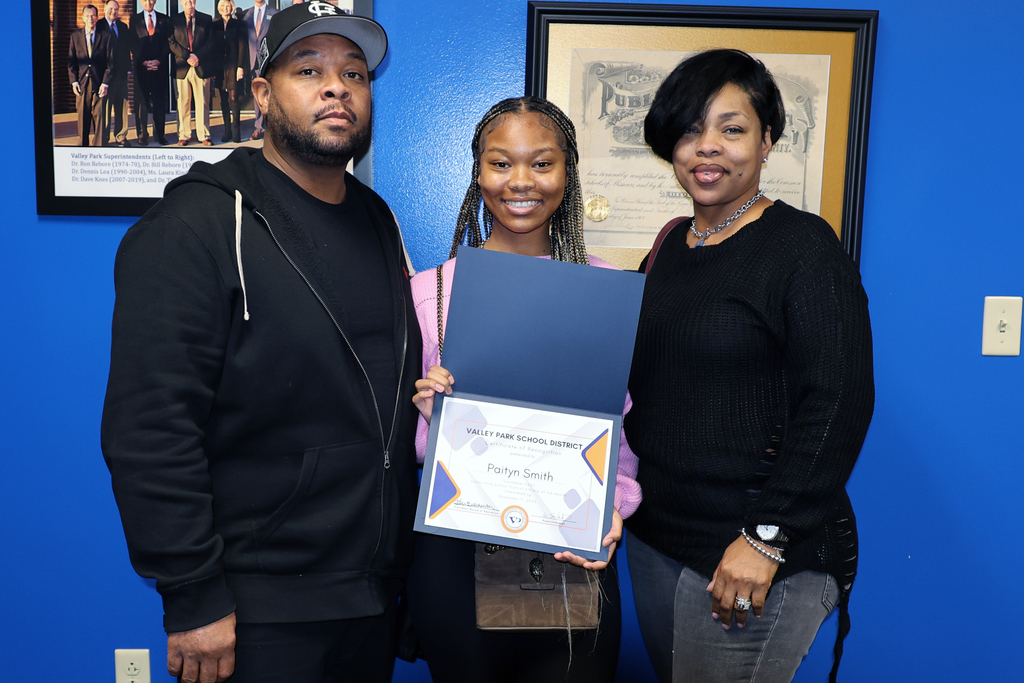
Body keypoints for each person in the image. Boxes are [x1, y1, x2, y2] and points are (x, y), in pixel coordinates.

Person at [101, 5, 419, 683]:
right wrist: (193, 596)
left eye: (354, 73)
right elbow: (149, 429)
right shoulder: (194, 225)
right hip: (254, 610)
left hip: (368, 598)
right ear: (261, 94)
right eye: (309, 70)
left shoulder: (377, 220)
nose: (338, 88)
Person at [623, 49, 874, 683]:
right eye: (688, 130)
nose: (706, 147)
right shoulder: (672, 246)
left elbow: (839, 401)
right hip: (656, 540)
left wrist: (766, 537)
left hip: (755, 554)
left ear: (768, 140)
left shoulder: (803, 248)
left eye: (731, 130)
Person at [405, 96, 642, 683]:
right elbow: (401, 447)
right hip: (456, 556)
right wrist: (433, 419)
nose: (521, 182)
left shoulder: (608, 291)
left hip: (573, 545)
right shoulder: (428, 292)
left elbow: (626, 426)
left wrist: (615, 506)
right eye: (500, 163)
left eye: (542, 163)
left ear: (568, 173)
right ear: (478, 173)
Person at [170, 0, 214, 145]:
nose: (189, 2)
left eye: (191, 0)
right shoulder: (174, 20)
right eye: (186, 0)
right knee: (183, 102)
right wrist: (187, 56)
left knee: (202, 102)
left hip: (200, 66)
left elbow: (211, 42)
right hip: (182, 67)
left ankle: (204, 135)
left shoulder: (206, 19)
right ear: (181, 2)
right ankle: (184, 134)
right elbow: (171, 42)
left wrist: (197, 56)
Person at [67, 5, 111, 147]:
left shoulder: (105, 36)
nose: (90, 19)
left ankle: (98, 146)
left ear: (97, 18)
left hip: (99, 82)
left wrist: (105, 83)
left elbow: (111, 62)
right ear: (82, 18)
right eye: (87, 16)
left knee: (100, 116)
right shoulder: (75, 36)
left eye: (93, 16)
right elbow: (71, 62)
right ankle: (83, 146)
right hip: (82, 83)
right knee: (83, 115)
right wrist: (74, 82)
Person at [129, 0, 171, 146]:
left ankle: (159, 135)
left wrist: (158, 61)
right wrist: (144, 62)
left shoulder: (164, 19)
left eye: (151, 0)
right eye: (145, 0)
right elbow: (133, 44)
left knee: (160, 103)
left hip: (159, 69)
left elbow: (168, 43)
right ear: (141, 2)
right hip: (142, 69)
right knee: (142, 104)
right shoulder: (134, 19)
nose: (148, 2)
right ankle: (142, 135)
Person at [210, 0, 248, 144]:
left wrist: (240, 67)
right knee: (223, 100)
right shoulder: (214, 25)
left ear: (231, 8)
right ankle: (227, 131)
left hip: (234, 66)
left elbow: (242, 46)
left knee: (234, 99)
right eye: (223, 6)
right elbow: (212, 48)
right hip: (220, 67)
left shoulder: (239, 24)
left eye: (228, 6)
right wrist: (213, 69)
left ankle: (237, 131)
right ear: (219, 9)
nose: (226, 8)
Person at [97, 1, 131, 147]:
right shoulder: (98, 26)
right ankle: (104, 138)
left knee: (122, 106)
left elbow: (126, 50)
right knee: (105, 108)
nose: (114, 12)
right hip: (105, 75)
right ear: (105, 8)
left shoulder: (123, 27)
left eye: (116, 9)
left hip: (121, 74)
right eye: (111, 9)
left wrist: (128, 69)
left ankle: (121, 136)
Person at [243, 0, 278, 141]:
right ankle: (259, 127)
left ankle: (272, 128)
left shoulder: (274, 13)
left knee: (272, 94)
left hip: (269, 60)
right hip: (252, 61)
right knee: (258, 94)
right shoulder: (247, 15)